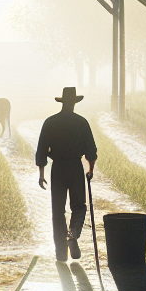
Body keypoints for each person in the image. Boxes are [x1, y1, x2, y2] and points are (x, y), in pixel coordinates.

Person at [36, 87, 97, 261]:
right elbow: (91, 151)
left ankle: (61, 253)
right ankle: (73, 235)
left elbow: (41, 150)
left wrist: (41, 174)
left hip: (59, 169)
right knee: (79, 206)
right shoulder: (81, 123)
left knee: (58, 211)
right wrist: (90, 170)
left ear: (62, 102)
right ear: (74, 103)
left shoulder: (50, 122)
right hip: (75, 168)